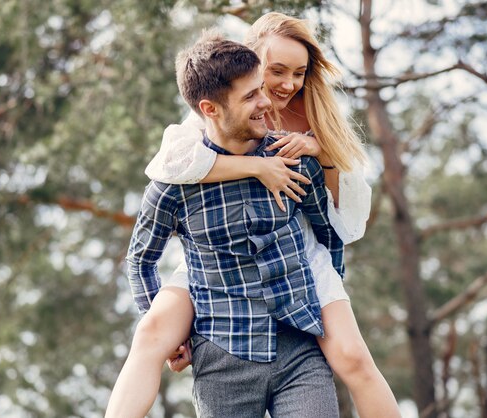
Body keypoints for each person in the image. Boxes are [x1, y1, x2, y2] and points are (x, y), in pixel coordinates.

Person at [145, 12, 401, 418]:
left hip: (295, 246)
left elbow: (338, 220)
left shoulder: (313, 113)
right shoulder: (221, 105)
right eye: (276, 70)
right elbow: (173, 167)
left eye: (299, 72)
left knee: (352, 357)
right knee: (154, 331)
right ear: (250, 64)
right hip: (220, 251)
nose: (288, 84)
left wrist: (321, 152)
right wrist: (255, 166)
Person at [106, 30, 342, 417]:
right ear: (210, 109)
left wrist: (327, 309)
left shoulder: (291, 158)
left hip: (301, 351)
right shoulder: (174, 185)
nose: (266, 102)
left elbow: (328, 234)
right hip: (222, 359)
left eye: (260, 89)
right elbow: (140, 261)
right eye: (250, 96)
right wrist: (177, 339)